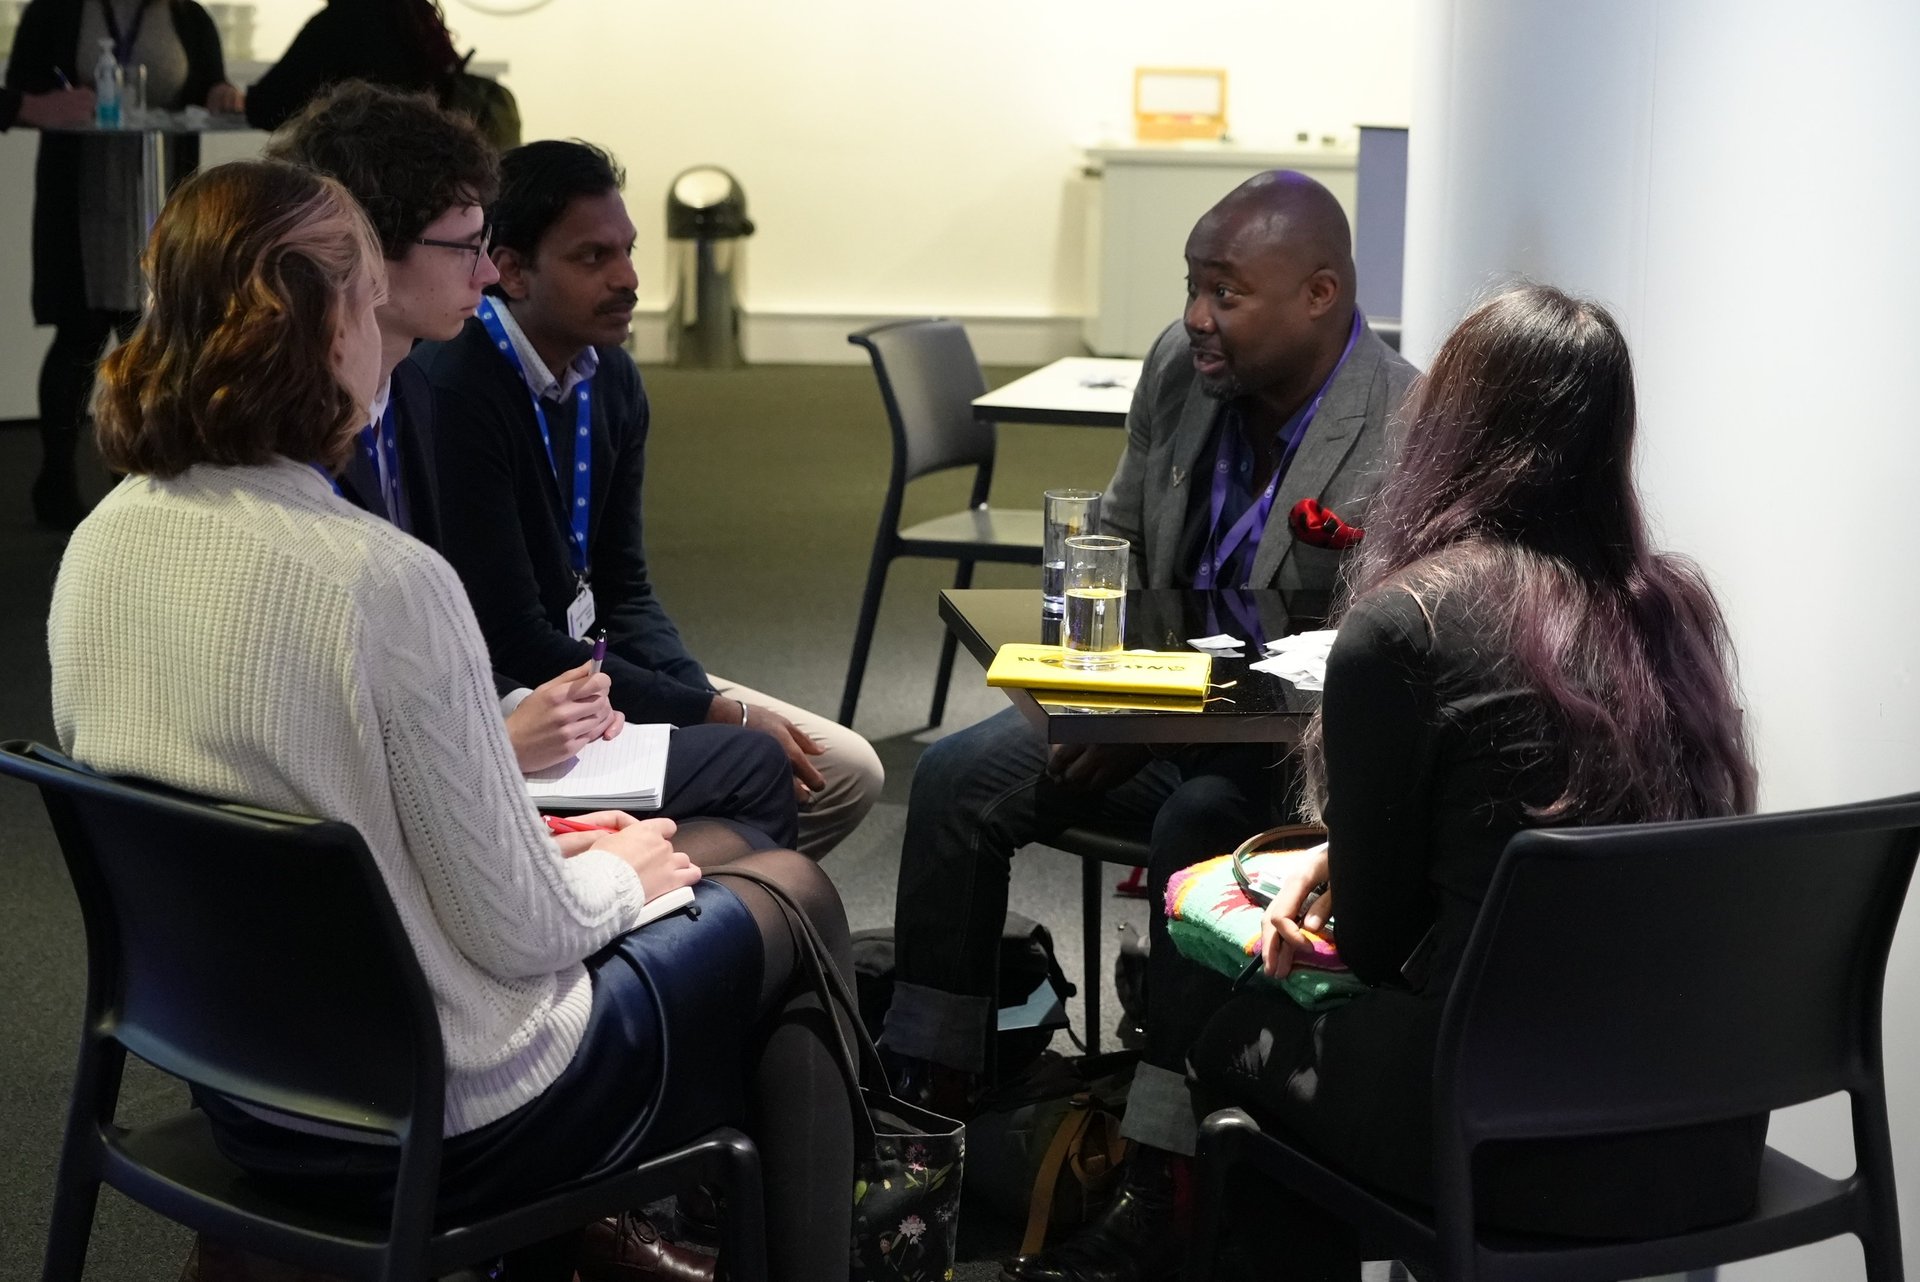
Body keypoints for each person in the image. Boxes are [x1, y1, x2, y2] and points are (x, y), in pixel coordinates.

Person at [49, 159, 854, 1282]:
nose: (389, 333)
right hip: (446, 1111)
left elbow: (294, 821)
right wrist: (621, 869)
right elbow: (521, 937)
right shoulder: (377, 584)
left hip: (244, 1085)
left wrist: (594, 863)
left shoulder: (101, 545)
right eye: (370, 302)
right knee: (791, 893)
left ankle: (609, 1231)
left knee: (708, 860)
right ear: (321, 327)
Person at [1007, 284, 1768, 1282]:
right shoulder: (1671, 608)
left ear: (1451, 425)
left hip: (1499, 1130)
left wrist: (1323, 885)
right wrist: (1343, 853)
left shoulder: (1410, 624)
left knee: (1229, 1016)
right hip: (1694, 1133)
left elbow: (1367, 945)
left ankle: (1161, 1217)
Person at [885, 171, 1417, 1111]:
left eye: (1226, 293)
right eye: (1192, 287)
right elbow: (1121, 543)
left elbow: (1363, 665)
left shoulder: (1403, 429)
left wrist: (1157, 719)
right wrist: (1112, 699)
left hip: (1283, 765)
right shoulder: (1182, 369)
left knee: (1198, 824)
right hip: (1149, 715)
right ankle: (936, 1095)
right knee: (956, 782)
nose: (1196, 317)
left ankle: (1166, 1146)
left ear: (1320, 295)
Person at [266, 83, 798, 861]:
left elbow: (611, 593)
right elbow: (351, 732)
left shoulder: (406, 388)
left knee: (778, 793)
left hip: (483, 734)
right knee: (759, 804)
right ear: (365, 255)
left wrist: (688, 704)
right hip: (421, 804)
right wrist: (510, 744)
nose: (485, 276)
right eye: (467, 247)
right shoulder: (430, 396)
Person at [413, 140, 883, 860]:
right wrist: (712, 714)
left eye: (628, 251)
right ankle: (648, 880)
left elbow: (624, 589)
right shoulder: (459, 388)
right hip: (519, 698)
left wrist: (703, 704)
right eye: (592, 258)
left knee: (846, 772)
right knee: (774, 779)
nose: (629, 280)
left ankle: (658, 871)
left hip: (594, 671)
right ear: (511, 270)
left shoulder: (613, 379)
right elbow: (511, 638)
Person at [3, 0, 241, 530]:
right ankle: (56, 479)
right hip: (82, 198)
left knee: (154, 339)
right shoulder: (56, 13)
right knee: (78, 337)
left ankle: (140, 473)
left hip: (161, 195)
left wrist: (221, 95)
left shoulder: (190, 18)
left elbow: (211, 89)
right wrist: (41, 104)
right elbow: (20, 93)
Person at [242, 0, 460, 132]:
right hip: (423, 177)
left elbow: (267, 108)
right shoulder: (419, 19)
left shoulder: (339, 24)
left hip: (360, 180)